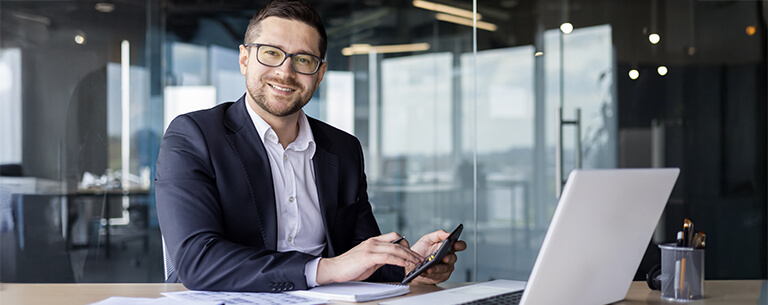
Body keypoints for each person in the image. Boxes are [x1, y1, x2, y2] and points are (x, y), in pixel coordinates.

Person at [155, 0, 466, 292]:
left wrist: (410, 264)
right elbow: (197, 260)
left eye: (303, 59)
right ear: (244, 59)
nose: (285, 72)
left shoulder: (343, 150)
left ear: (320, 75)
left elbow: (361, 260)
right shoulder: (194, 136)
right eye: (271, 53)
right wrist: (324, 269)